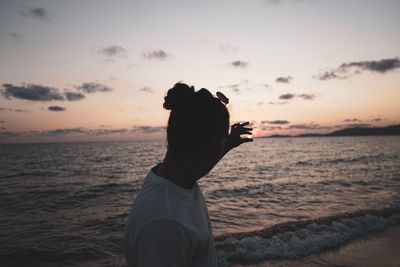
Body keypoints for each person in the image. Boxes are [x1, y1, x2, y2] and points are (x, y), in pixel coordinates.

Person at [123, 82, 253, 267]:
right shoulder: (167, 227)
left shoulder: (171, 177)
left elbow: (200, 166)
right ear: (213, 146)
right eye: (222, 142)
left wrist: (228, 143)